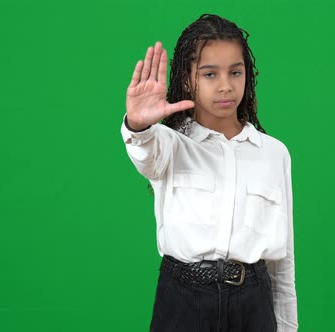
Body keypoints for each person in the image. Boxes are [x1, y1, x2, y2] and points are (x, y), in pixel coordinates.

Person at [121, 14, 298, 331]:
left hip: (254, 304)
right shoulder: (170, 144)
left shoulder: (274, 154)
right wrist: (139, 124)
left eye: (235, 72)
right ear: (188, 79)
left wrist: (287, 326)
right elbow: (144, 151)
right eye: (210, 74)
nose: (226, 85)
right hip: (183, 300)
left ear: (248, 75)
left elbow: (283, 262)